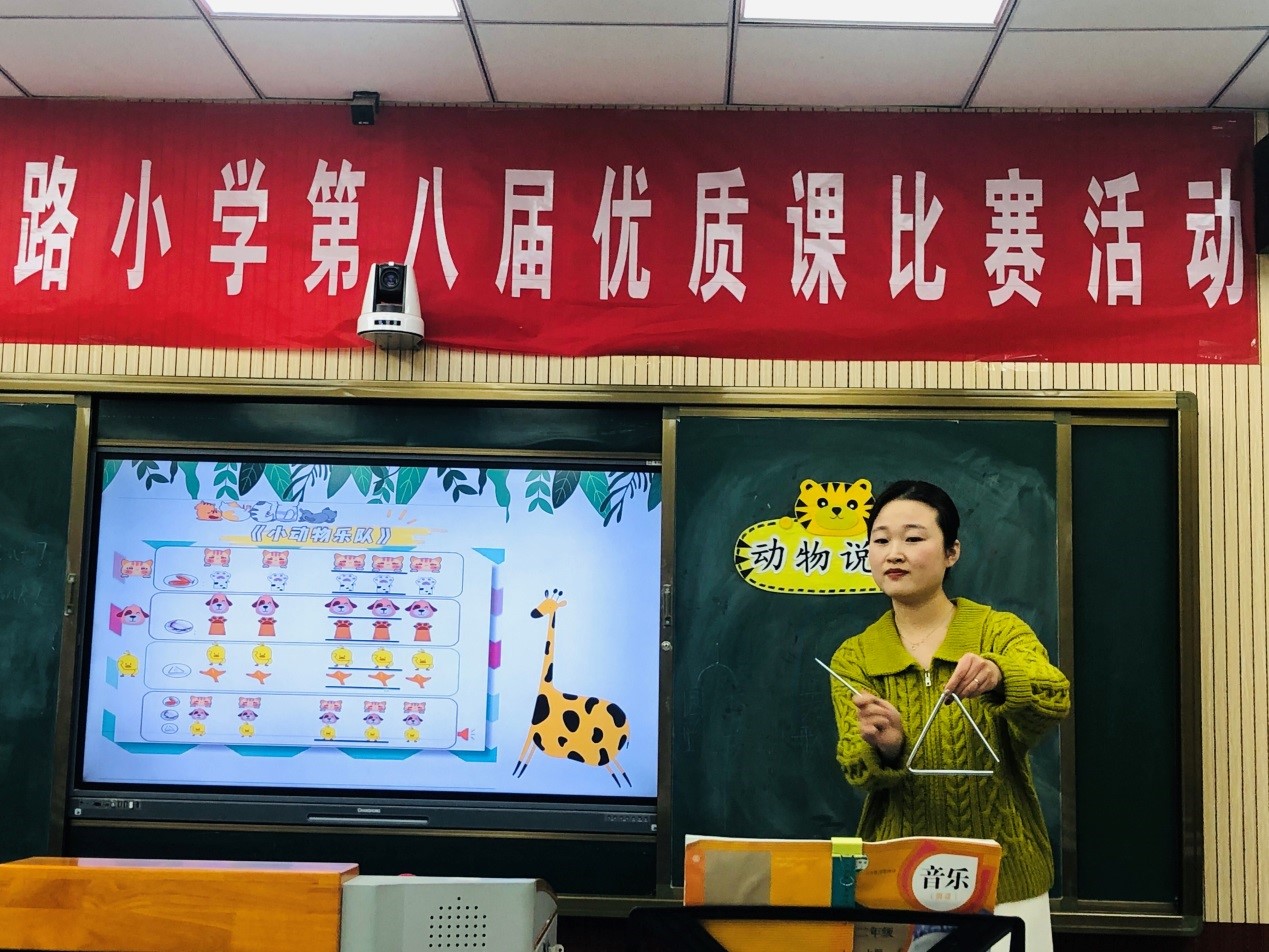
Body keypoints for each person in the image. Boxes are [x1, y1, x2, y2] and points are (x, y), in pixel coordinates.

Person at [829, 479, 1071, 951]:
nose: (894, 553)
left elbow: (1054, 698)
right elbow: (858, 770)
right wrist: (888, 748)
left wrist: (1001, 676)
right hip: (895, 885)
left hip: (1004, 882)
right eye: (881, 540)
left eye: (913, 538)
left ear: (951, 552)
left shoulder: (998, 633)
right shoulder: (855, 657)